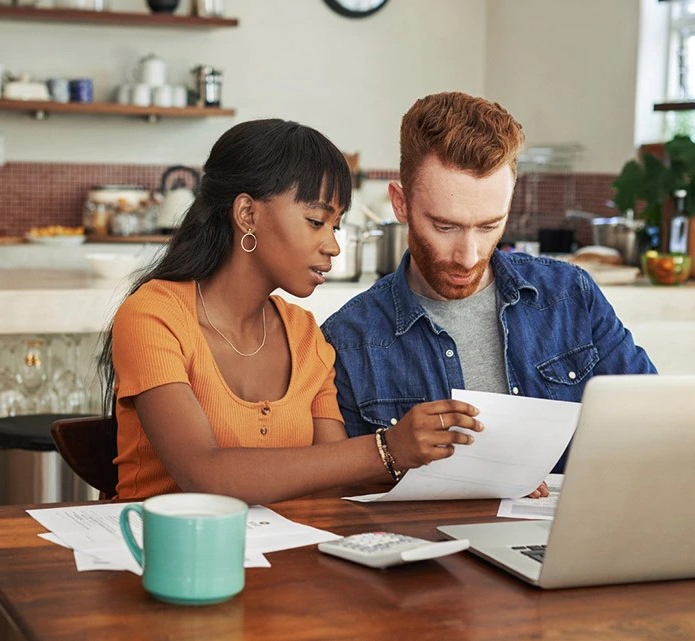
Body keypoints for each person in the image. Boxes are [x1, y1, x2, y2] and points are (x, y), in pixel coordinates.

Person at [101, 119, 485, 505]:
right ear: (247, 215)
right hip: (159, 555)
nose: (332, 245)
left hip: (286, 558)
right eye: (317, 221)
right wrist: (388, 447)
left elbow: (337, 479)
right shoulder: (154, 316)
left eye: (336, 225)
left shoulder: (305, 335)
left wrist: (480, 477)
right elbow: (204, 474)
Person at [321, 92, 657, 477]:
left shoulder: (570, 295)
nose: (468, 255)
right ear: (400, 203)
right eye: (444, 226)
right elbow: (344, 495)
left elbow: (649, 419)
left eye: (489, 226)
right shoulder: (347, 339)